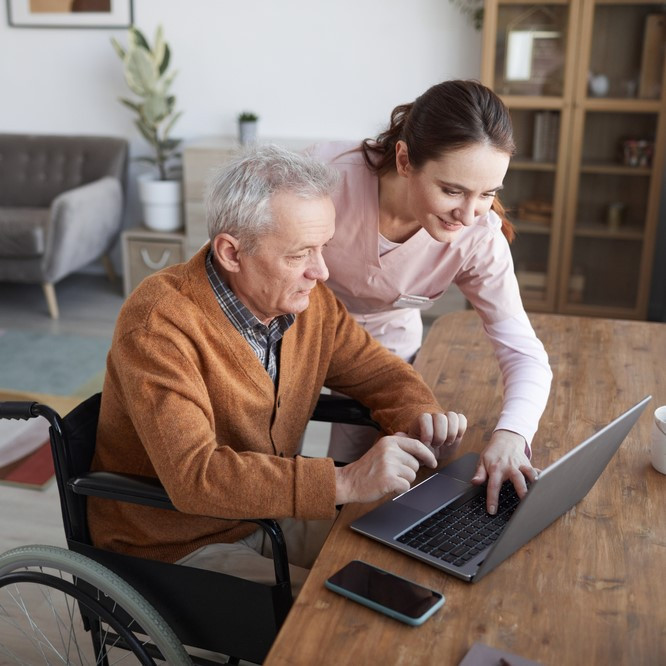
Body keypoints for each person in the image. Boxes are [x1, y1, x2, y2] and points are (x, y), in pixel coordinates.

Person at [88, 144, 467, 593]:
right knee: (344, 608)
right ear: (231, 253)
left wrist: (422, 417)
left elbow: (377, 372)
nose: (321, 271)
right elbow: (196, 477)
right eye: (299, 254)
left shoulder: (308, 304)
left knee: (412, 555)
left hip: (267, 515)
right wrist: (343, 481)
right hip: (176, 542)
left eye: (323, 247)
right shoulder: (158, 323)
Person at [306, 80, 553, 515]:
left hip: (385, 352)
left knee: (371, 490)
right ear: (404, 159)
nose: (469, 213)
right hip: (295, 335)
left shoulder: (478, 237)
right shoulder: (322, 180)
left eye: (488, 193)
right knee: (283, 465)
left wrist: (513, 434)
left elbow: (523, 350)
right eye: (453, 190)